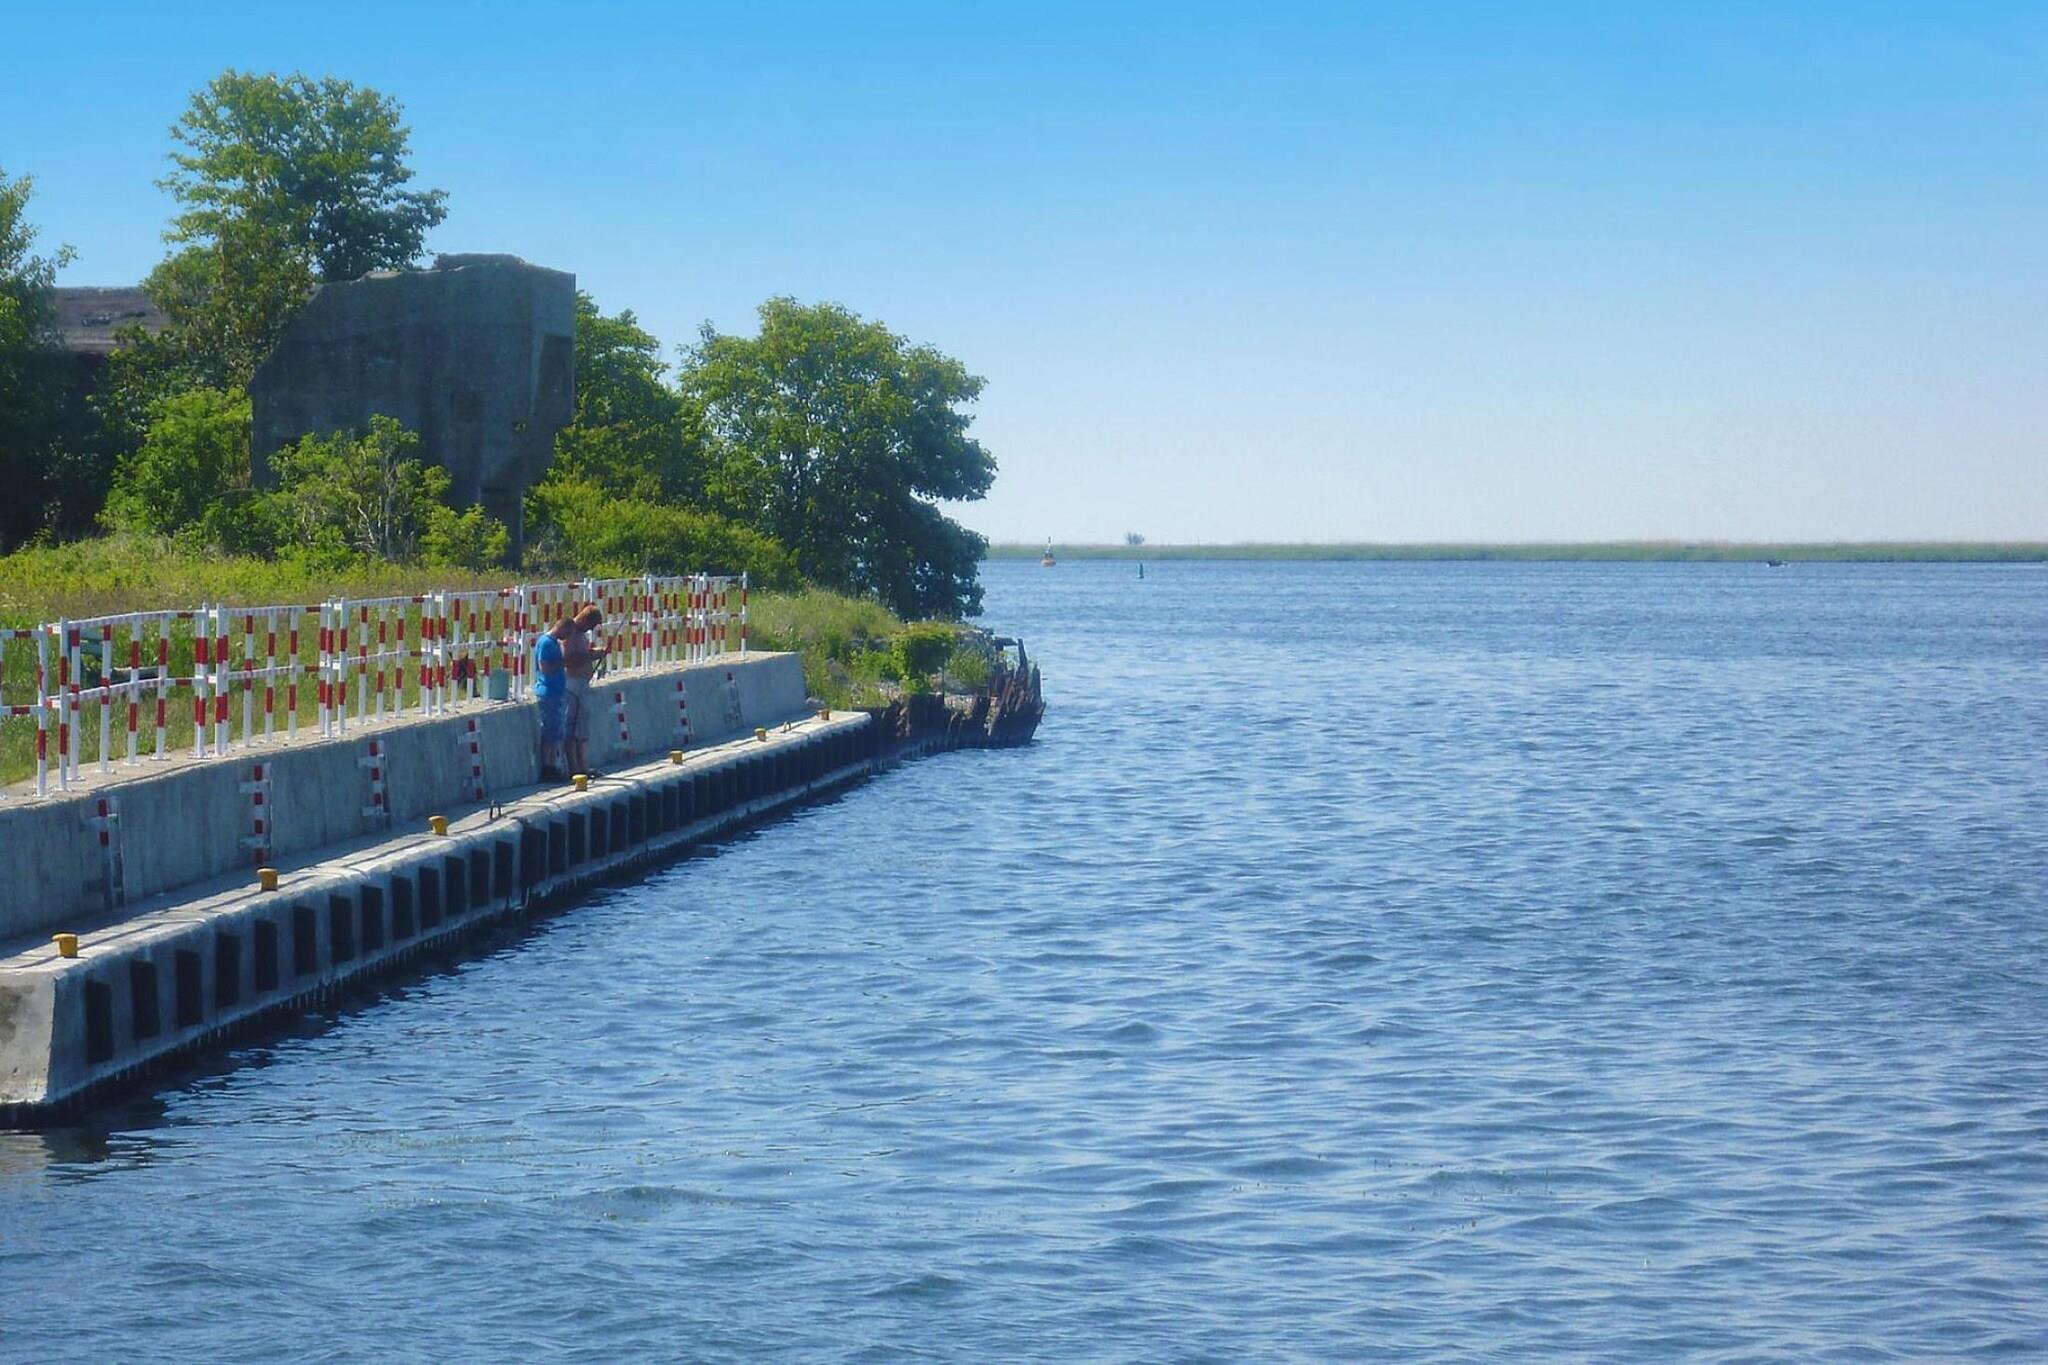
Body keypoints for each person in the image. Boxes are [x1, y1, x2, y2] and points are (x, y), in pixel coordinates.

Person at [561, 604, 608, 777]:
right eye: (591, 625)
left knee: (582, 728)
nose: (591, 629)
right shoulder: (570, 634)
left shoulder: (581, 635)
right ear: (585, 619)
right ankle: (574, 768)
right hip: (573, 686)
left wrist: (597, 652)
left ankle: (584, 766)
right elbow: (570, 659)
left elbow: (583, 653)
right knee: (572, 728)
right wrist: (592, 655)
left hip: (582, 685)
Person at [532, 617, 572, 781]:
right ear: (562, 628)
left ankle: (553, 765)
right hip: (548, 692)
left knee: (556, 731)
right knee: (549, 731)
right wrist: (562, 663)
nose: (567, 637)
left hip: (557, 692)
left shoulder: (555, 643)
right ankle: (547, 767)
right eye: (567, 633)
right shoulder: (546, 643)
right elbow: (544, 667)